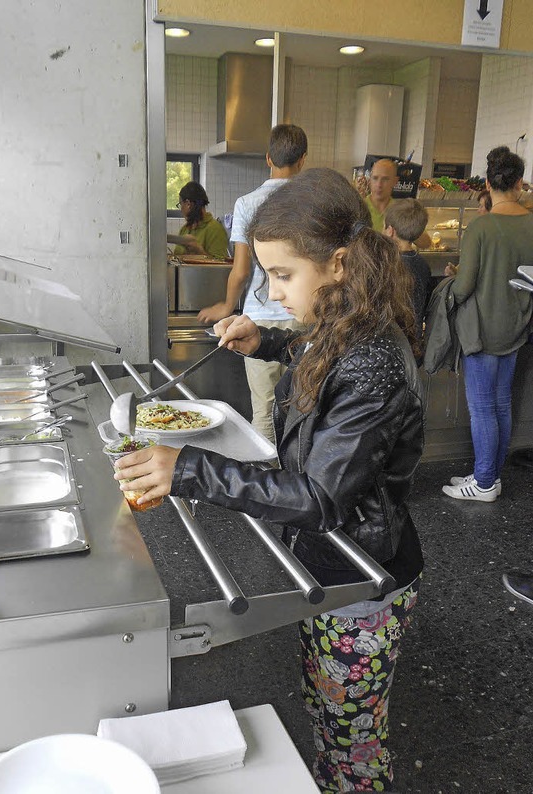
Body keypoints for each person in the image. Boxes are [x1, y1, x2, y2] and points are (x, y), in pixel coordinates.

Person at [114, 168, 425, 792]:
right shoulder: (346, 323)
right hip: (332, 565)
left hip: (363, 571)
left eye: (282, 275)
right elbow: (317, 357)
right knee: (328, 704)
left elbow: (321, 497)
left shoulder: (373, 360)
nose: (269, 289)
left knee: (353, 739)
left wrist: (191, 469)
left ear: (337, 264)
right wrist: (267, 341)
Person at [197, 123, 308, 442]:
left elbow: (241, 269)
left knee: (264, 410)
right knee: (302, 408)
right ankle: (300, 482)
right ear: (302, 160)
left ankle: (268, 484)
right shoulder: (312, 203)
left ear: (268, 158)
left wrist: (226, 306)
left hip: (259, 318)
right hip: (304, 317)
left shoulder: (247, 204)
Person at [442, 146, 533, 503]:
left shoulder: (481, 226)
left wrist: (455, 280)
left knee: (482, 408)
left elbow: (465, 287)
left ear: (489, 182)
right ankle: (490, 475)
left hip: (482, 330)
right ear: (520, 183)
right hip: (516, 327)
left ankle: (482, 484)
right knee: (502, 405)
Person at [383, 199, 434, 342]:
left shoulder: (386, 265)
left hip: (391, 343)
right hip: (414, 342)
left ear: (390, 231)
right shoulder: (423, 265)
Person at [366, 159, 431, 249]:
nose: (379, 185)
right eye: (375, 178)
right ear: (369, 180)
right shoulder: (359, 207)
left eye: (385, 179)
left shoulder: (401, 209)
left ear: (395, 181)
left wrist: (405, 229)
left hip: (394, 262)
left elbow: (426, 244)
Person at [171, 182, 229, 260]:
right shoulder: (185, 229)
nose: (181, 209)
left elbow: (221, 266)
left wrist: (199, 251)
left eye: (180, 204)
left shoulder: (215, 229)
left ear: (188, 204)